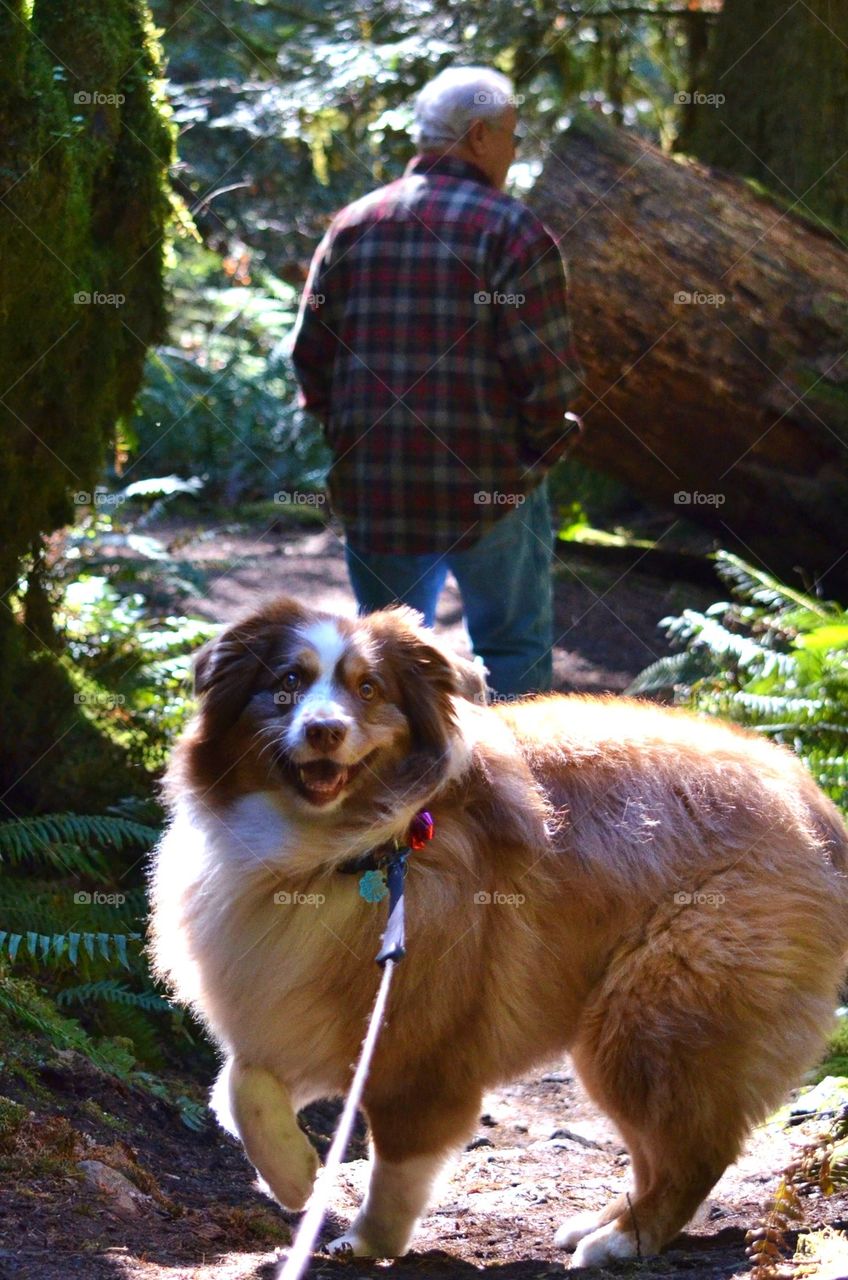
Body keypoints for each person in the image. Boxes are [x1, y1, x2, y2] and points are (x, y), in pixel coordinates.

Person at [290, 65, 582, 696]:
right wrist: (532, 460)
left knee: (387, 667)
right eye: (513, 135)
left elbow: (310, 357)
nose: (515, 149)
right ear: (479, 136)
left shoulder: (352, 225)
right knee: (511, 652)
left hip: (377, 492)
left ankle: (399, 793)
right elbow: (549, 383)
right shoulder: (512, 231)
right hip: (492, 489)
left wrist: (355, 447)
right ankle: (511, 788)